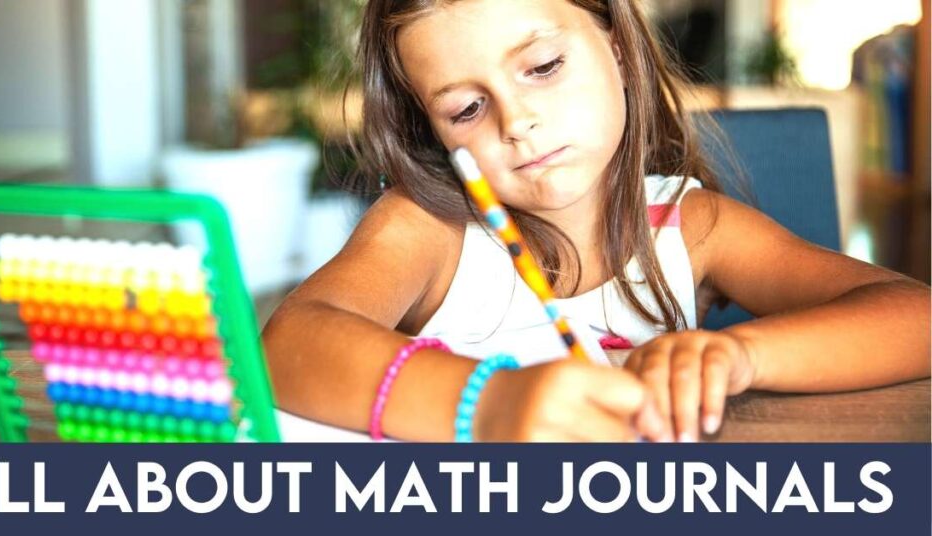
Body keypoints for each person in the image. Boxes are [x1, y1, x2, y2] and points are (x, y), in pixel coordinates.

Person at [262, 0, 930, 442]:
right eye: (466, 109)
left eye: (544, 67)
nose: (516, 122)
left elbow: (915, 317)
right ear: (434, 134)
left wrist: (741, 355)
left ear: (614, 43)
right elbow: (291, 342)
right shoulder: (428, 226)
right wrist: (489, 405)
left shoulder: (689, 226)